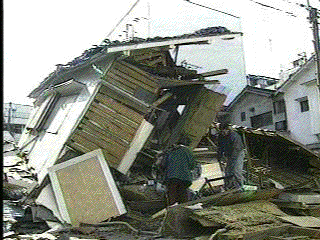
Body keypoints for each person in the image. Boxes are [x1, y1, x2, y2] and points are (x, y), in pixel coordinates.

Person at [157, 137, 196, 205]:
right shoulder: (189, 152)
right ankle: (184, 208)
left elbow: (163, 165)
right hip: (185, 177)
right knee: (183, 194)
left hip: (172, 176)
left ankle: (173, 208)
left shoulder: (170, 151)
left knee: (172, 194)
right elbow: (192, 165)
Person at [216, 122, 245, 191]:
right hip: (229, 155)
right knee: (228, 171)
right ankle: (228, 187)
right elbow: (220, 147)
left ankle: (241, 187)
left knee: (236, 171)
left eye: (224, 131)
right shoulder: (221, 136)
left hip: (238, 153)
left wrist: (232, 160)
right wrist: (219, 157)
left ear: (227, 130)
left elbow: (236, 149)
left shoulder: (234, 136)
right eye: (221, 131)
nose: (223, 133)